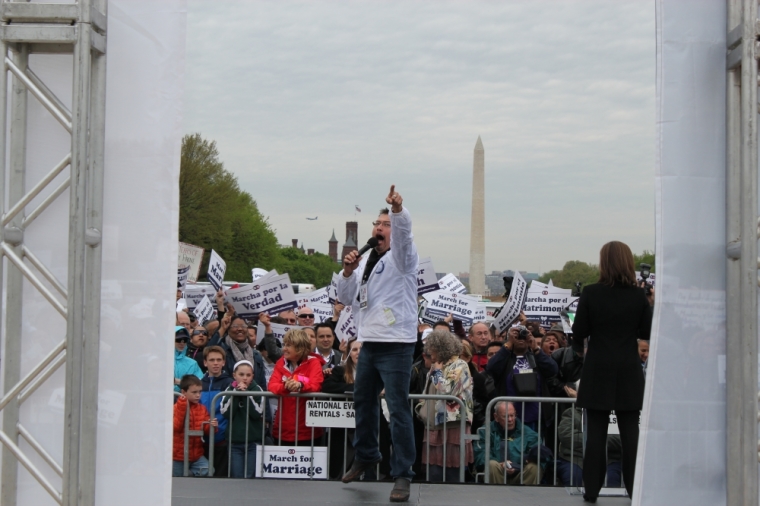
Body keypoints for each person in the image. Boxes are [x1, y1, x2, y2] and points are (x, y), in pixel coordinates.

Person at [337, 185, 417, 502]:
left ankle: (403, 475)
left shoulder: (403, 258)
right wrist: (347, 271)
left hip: (396, 344)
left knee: (397, 409)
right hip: (369, 341)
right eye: (377, 224)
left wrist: (397, 210)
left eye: (385, 225)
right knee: (363, 401)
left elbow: (405, 235)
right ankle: (367, 454)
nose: (379, 229)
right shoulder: (367, 261)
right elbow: (346, 299)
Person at [572, 240, 652, 502]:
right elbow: (646, 332)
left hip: (598, 368)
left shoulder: (592, 293)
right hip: (628, 369)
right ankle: (634, 489)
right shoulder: (638, 295)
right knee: (631, 435)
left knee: (596, 435)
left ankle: (592, 490)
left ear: (603, 262)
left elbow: (579, 331)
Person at [417, 330, 473, 483]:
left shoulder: (460, 364)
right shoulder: (436, 367)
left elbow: (448, 390)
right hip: (433, 425)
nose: (429, 353)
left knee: (452, 472)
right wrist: (421, 409)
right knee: (433, 471)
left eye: (432, 349)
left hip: (452, 426)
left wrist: (436, 373)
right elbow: (426, 392)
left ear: (440, 348)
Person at [485, 325, 558, 431]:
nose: (520, 338)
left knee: (535, 447)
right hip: (509, 418)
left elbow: (553, 370)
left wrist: (536, 349)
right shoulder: (505, 357)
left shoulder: (536, 357)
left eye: (523, 335)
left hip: (535, 417)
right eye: (516, 336)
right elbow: (491, 368)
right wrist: (508, 344)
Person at [267, 329, 325, 445]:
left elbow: (315, 385)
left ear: (299, 347)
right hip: (283, 430)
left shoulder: (314, 363)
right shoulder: (280, 363)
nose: (284, 349)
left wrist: (300, 385)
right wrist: (286, 387)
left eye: (288, 345)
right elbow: (272, 385)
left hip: (308, 430)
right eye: (284, 345)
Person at [473, 401, 540, 485]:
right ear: (496, 417)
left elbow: (539, 454)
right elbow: (480, 456)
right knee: (492, 464)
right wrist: (501, 464)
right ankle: (497, 496)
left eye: (512, 415)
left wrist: (517, 466)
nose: (510, 419)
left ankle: (526, 497)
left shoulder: (527, 432)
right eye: (505, 416)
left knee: (534, 467)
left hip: (520, 472)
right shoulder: (485, 431)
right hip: (496, 473)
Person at [220, 360, 266, 478]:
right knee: (237, 476)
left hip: (253, 442)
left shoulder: (257, 389)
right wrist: (236, 393)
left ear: (252, 376)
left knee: (250, 476)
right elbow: (225, 412)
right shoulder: (229, 389)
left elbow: (257, 413)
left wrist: (246, 395)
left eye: (248, 375)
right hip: (235, 442)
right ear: (234, 375)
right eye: (241, 375)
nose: (245, 378)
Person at [556, 406, 622, 488]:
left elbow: (621, 439)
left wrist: (589, 440)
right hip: (575, 459)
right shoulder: (571, 413)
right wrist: (600, 441)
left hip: (608, 460)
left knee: (610, 480)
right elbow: (567, 437)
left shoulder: (616, 414)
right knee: (574, 478)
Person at [173, 375, 218, 476]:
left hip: (196, 455)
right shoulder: (176, 408)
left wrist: (212, 425)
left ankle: (190, 474)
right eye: (194, 392)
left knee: (209, 470)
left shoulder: (202, 408)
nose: (198, 395)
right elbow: (177, 427)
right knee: (177, 480)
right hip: (178, 456)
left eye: (200, 392)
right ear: (183, 392)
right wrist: (182, 404)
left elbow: (206, 430)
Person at [200, 346, 233, 476]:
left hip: (222, 440)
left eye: (219, 360)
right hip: (201, 440)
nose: (215, 363)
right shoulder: (199, 383)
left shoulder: (230, 383)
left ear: (224, 362)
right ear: (205, 362)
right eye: (212, 360)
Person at [174, 327, 203, 392]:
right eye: (178, 339)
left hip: (186, 400)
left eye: (185, 340)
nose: (182, 343)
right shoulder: (161, 361)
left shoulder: (192, 363)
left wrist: (178, 382)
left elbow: (199, 383)